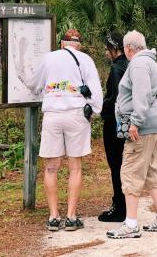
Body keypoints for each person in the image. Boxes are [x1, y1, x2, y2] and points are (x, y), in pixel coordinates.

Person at [26, 28, 103, 231]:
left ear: (62, 43)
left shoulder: (49, 58)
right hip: (76, 115)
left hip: (52, 115)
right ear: (78, 45)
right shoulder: (85, 60)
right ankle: (70, 216)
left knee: (51, 167)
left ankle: (53, 217)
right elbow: (96, 92)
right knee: (75, 167)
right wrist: (93, 111)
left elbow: (33, 84)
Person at [106, 30, 157, 239]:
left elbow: (142, 94)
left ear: (128, 48)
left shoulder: (137, 64)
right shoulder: (150, 61)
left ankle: (131, 224)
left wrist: (135, 122)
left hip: (142, 128)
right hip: (154, 125)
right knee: (151, 172)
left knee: (130, 172)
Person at [98, 31, 129, 222]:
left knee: (115, 164)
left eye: (107, 48)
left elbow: (116, 98)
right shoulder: (129, 64)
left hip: (113, 122)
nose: (106, 52)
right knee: (122, 165)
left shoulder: (117, 68)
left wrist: (100, 106)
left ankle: (119, 208)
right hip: (124, 121)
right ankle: (122, 204)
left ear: (114, 49)